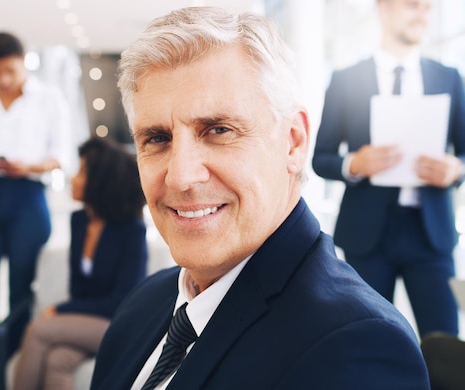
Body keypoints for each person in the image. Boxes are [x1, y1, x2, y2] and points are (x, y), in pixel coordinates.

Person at [90, 6, 430, 390]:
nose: (182, 176)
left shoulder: (357, 347)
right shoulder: (147, 302)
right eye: (157, 139)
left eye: (218, 130)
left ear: (293, 142)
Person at [312, 0, 465, 338]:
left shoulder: (449, 78)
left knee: (444, 344)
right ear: (383, 8)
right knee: (368, 340)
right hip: (367, 236)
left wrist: (455, 170)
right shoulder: (346, 80)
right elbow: (320, 157)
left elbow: (464, 153)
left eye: (428, 8)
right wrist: (354, 163)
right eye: (413, 6)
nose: (422, 15)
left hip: (431, 235)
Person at [0, 31, 68, 387]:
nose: (3, 79)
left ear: (24, 60)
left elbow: (63, 158)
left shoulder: (49, 98)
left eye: (9, 70)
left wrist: (30, 166)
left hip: (27, 198)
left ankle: (15, 376)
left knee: (22, 295)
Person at [12, 136, 148, 390]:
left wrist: (62, 310)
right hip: (88, 322)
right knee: (57, 359)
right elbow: (78, 288)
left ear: (100, 181)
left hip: (119, 325)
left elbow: (122, 301)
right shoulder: (79, 221)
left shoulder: (131, 230)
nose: (73, 179)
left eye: (82, 171)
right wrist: (69, 309)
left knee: (37, 330)